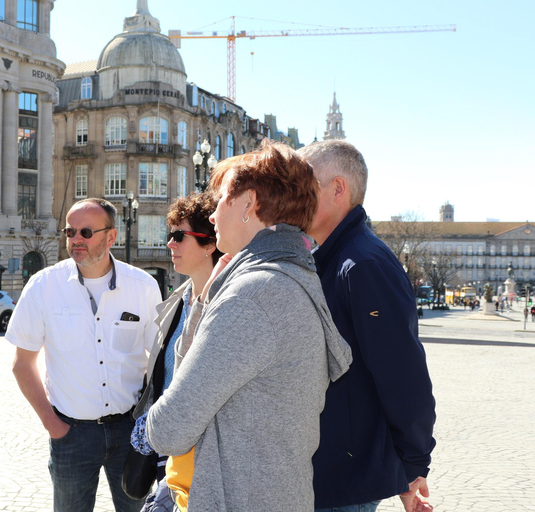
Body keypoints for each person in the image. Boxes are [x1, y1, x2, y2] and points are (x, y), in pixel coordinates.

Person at [146, 140, 352, 511]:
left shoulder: (251, 297)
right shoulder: (296, 277)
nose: (212, 215)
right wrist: (207, 302)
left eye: (222, 197)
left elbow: (167, 430)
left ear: (248, 204)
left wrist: (207, 305)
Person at [298, 139, 437, 512]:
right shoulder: (334, 258)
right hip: (330, 471)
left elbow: (403, 375)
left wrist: (411, 465)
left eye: (304, 186)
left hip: (346, 480)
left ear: (338, 189)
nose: (295, 198)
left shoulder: (363, 264)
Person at [6, 197, 162, 512]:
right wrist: (52, 424)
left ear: (111, 237)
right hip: (71, 433)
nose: (76, 239)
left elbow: (158, 361)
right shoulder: (43, 286)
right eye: (70, 232)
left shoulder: (143, 286)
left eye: (86, 232)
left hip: (131, 430)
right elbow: (23, 365)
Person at [130, 193, 222, 510]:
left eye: (180, 236)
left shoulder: (227, 306)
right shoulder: (176, 302)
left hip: (204, 460)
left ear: (210, 243)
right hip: (167, 450)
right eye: (170, 235)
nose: (170, 244)